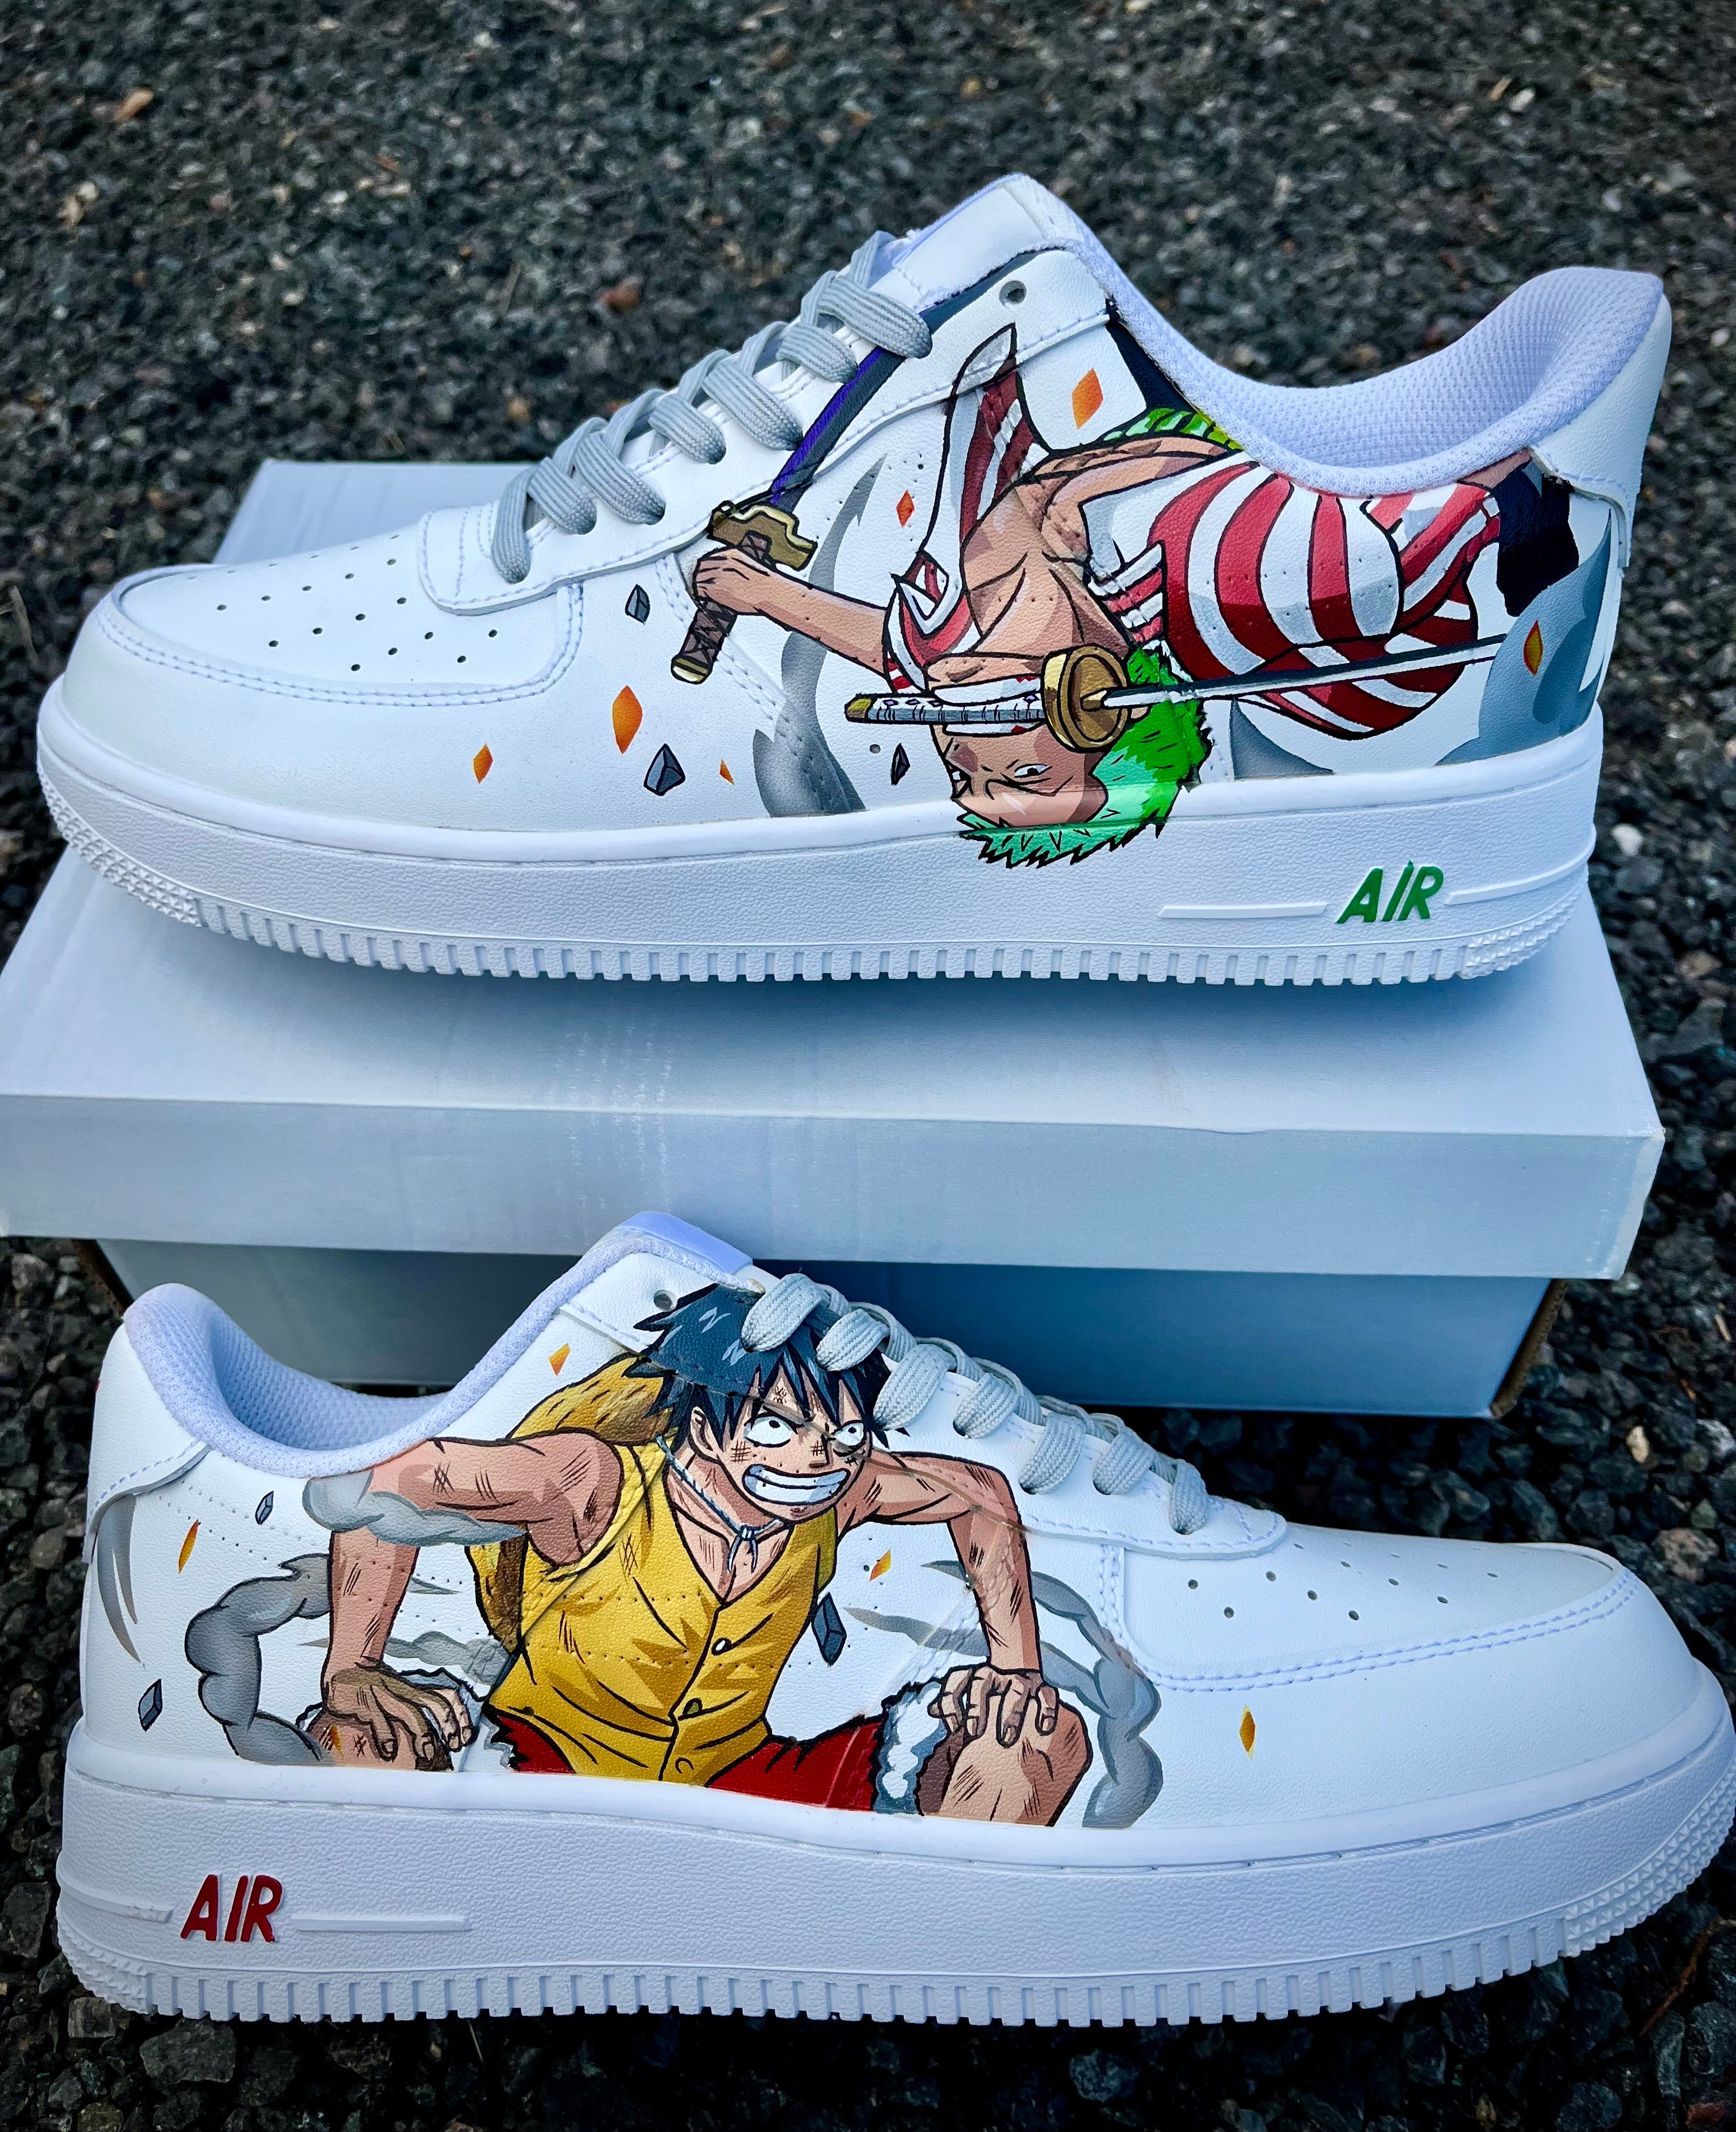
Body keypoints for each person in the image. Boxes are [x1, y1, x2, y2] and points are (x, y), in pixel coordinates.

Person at [313, 1283, 1091, 1823]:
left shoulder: (838, 1495)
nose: (818, 1456)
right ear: (703, 1427)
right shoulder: (593, 1482)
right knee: (357, 1740)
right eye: (777, 1426)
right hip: (538, 1765)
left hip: (735, 1783)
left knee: (1037, 1740)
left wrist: (1016, 1668)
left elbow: (981, 1493)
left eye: (846, 1432)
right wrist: (353, 1665)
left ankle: (907, 1949)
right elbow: (384, 1484)